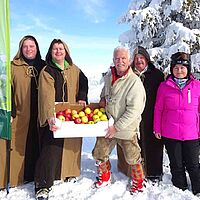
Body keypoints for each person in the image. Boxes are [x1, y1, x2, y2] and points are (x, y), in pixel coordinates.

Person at [34, 39, 88, 200]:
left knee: (71, 145)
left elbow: (83, 81)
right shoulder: (47, 71)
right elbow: (46, 96)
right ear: (50, 52)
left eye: (61, 49)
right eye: (55, 49)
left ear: (66, 51)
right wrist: (50, 116)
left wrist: (82, 97)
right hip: (55, 116)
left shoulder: (73, 69)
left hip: (71, 115)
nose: (58, 51)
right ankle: (43, 184)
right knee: (50, 148)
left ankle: (68, 173)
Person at [92, 46, 146, 194]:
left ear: (129, 61)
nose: (120, 61)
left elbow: (134, 110)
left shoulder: (134, 82)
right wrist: (103, 98)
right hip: (108, 123)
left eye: (123, 58)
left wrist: (117, 127)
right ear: (113, 60)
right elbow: (105, 91)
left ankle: (139, 182)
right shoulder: (110, 75)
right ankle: (105, 176)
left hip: (126, 128)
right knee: (99, 152)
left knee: (132, 156)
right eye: (117, 58)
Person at [0, 35, 46, 189]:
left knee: (38, 144)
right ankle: (19, 176)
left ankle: (36, 175)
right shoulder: (13, 66)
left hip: (40, 114)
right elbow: (6, 88)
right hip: (20, 114)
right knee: (19, 145)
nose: (28, 49)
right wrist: (10, 111)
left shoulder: (44, 66)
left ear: (37, 48)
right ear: (20, 49)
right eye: (25, 46)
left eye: (31, 46)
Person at [154, 52, 200, 196]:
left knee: (193, 164)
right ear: (172, 69)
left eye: (182, 68)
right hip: (170, 132)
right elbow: (158, 108)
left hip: (192, 133)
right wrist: (157, 127)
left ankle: (198, 189)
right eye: (176, 68)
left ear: (188, 69)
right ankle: (180, 191)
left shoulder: (197, 85)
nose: (179, 71)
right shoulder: (164, 86)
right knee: (176, 165)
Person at [117, 46, 164, 182]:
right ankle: (137, 172)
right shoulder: (128, 74)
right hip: (133, 115)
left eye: (142, 58)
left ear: (147, 59)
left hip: (152, 114)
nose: (139, 61)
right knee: (135, 145)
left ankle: (154, 172)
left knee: (154, 143)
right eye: (136, 59)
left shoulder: (157, 75)